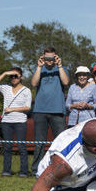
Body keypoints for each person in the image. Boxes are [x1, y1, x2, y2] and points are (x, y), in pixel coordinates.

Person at [31, 47, 70, 175]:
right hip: (40, 111)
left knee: (60, 142)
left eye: (51, 58)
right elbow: (34, 83)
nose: (49, 61)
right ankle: (37, 169)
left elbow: (65, 82)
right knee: (39, 143)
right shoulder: (39, 69)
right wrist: (38, 66)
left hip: (57, 110)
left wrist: (59, 66)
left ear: (56, 57)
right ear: (43, 57)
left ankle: (60, 169)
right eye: (47, 58)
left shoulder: (62, 69)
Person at [0, 67, 32, 177]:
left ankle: (23, 172)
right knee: (7, 147)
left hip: (20, 121)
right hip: (6, 122)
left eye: (16, 76)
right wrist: (4, 73)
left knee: (21, 147)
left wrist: (12, 109)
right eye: (11, 76)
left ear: (21, 77)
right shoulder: (6, 88)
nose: (13, 78)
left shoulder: (26, 90)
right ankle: (6, 171)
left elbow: (27, 107)